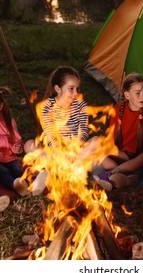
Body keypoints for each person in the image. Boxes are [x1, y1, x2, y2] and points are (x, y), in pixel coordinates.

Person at [24, 65, 90, 195]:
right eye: (71, 89)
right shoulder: (47, 107)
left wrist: (73, 148)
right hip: (54, 151)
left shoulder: (81, 105)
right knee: (29, 145)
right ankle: (62, 171)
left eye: (77, 89)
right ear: (57, 89)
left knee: (96, 141)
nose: (76, 93)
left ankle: (52, 171)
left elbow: (83, 131)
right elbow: (49, 135)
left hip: (75, 150)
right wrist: (59, 152)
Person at [93, 73, 143, 190]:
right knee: (95, 144)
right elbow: (111, 138)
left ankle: (110, 174)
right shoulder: (118, 108)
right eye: (137, 93)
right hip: (125, 155)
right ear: (127, 95)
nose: (142, 96)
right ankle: (120, 177)